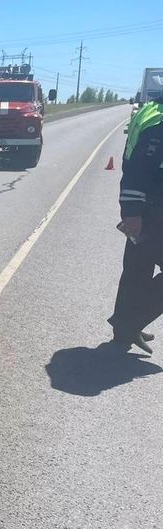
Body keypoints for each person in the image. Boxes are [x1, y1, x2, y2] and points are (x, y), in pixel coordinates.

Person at [108, 97, 163, 354]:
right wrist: (132, 213)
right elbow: (138, 171)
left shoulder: (152, 111)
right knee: (137, 269)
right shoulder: (159, 123)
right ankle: (130, 322)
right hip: (152, 210)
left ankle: (123, 329)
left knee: (137, 270)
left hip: (144, 209)